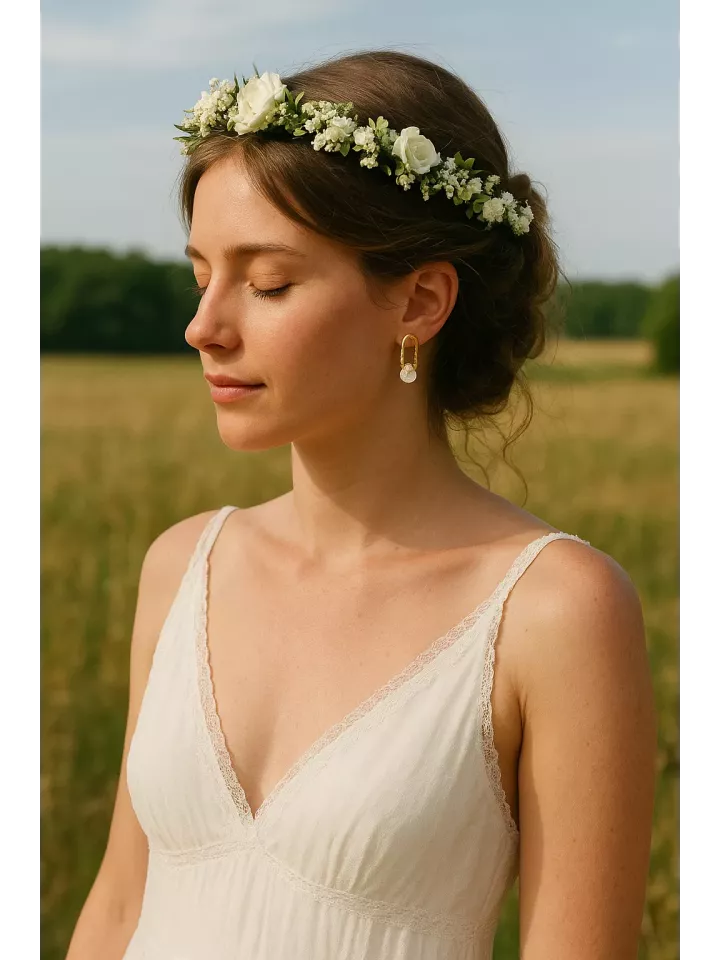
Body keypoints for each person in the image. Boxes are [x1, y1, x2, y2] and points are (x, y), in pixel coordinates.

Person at [65, 50, 657, 960]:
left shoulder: (555, 611)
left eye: (267, 283)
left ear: (420, 300)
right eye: (199, 277)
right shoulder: (182, 566)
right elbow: (117, 909)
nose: (203, 326)